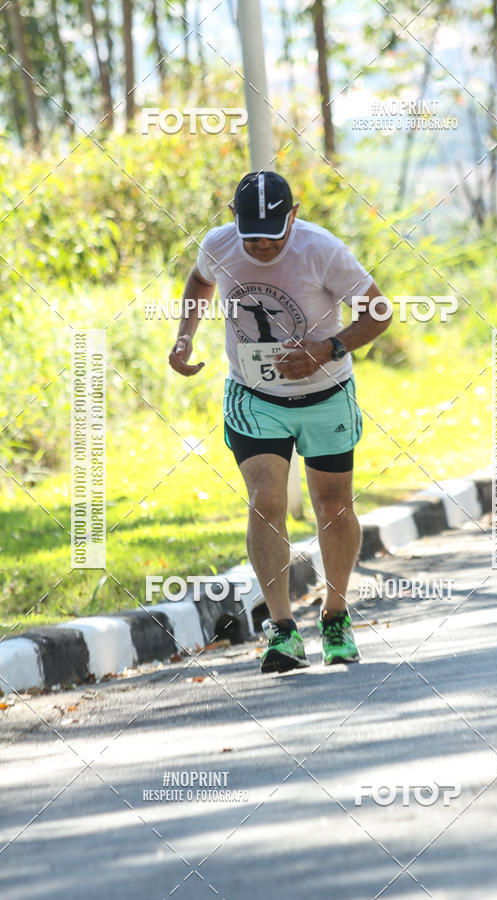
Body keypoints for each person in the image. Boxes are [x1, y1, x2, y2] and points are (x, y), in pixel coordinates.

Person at [169, 171, 389, 673]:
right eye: (253, 235)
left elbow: (378, 313)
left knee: (332, 504)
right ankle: (282, 630)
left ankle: (335, 616)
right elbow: (200, 280)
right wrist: (185, 335)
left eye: (274, 233)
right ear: (233, 219)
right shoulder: (219, 244)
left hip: (326, 393)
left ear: (293, 216)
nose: (264, 244)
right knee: (266, 499)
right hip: (254, 396)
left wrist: (327, 349)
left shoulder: (321, 250)